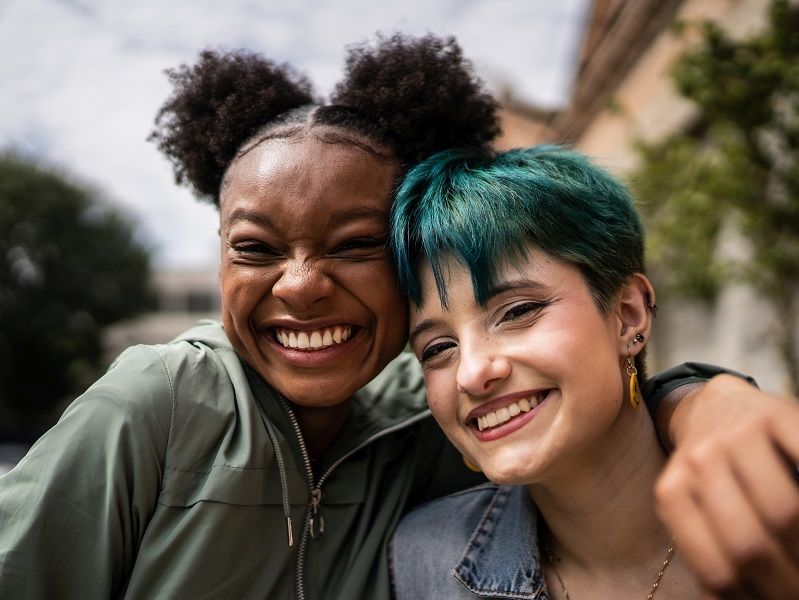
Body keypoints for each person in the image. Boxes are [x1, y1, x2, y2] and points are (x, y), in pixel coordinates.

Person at [0, 34, 795, 599]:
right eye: (254, 248)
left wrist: (712, 404)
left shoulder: (428, 422)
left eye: (353, 246)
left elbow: (588, 400)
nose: (301, 285)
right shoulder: (160, 402)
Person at [389, 145, 799, 599]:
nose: (471, 373)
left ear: (628, 315)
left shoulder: (783, 498)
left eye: (518, 311)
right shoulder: (423, 563)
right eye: (438, 348)